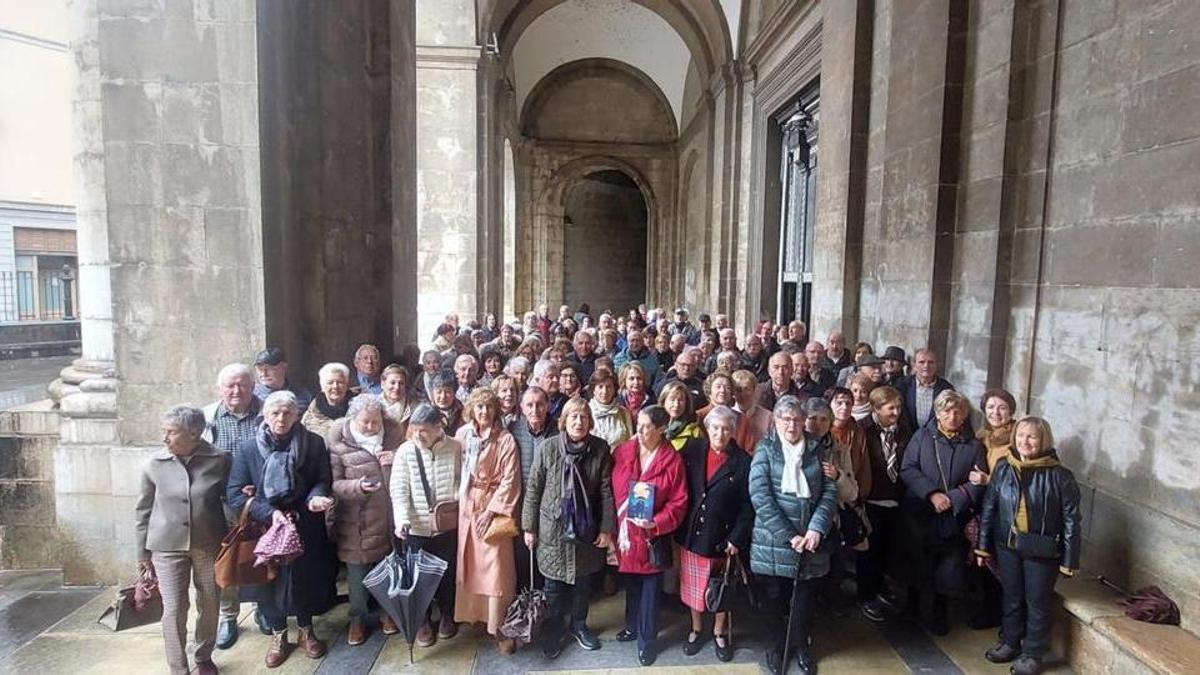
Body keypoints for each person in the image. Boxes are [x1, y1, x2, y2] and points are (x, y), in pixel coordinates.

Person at [227, 391, 338, 668]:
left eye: (287, 413)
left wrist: (316, 497)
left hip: (304, 522)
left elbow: (323, 479)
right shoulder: (248, 449)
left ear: (297, 415)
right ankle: (278, 635)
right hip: (266, 526)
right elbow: (235, 494)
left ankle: (305, 630)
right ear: (265, 415)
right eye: (275, 413)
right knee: (269, 581)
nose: (281, 418)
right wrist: (271, 513)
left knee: (304, 579)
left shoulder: (313, 443)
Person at [976, 416, 1081, 675]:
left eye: (1032, 436)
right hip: (1007, 546)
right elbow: (989, 507)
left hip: (1041, 550)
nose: (1025, 441)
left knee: (1037, 602)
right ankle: (1010, 641)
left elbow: (1071, 521)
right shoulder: (1003, 467)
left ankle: (1033, 653)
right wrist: (982, 545)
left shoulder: (1060, 476)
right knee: (1011, 597)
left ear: (1043, 440)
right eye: (1021, 435)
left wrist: (1070, 560)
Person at [136, 405, 231, 675]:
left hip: (208, 543)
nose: (165, 438)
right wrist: (142, 554)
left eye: (171, 432)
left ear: (195, 432)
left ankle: (203, 656)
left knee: (211, 601)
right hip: (166, 546)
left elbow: (229, 498)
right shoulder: (153, 464)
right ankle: (178, 668)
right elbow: (142, 510)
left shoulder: (220, 459)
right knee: (174, 607)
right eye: (163, 431)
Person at [749, 395, 838, 675]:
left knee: (804, 600)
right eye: (786, 419)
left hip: (811, 541)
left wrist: (815, 529)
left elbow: (829, 491)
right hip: (775, 541)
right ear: (775, 422)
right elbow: (760, 496)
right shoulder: (765, 449)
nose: (792, 425)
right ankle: (777, 647)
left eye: (797, 419)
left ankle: (800, 644)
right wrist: (790, 535)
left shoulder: (817, 450)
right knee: (776, 599)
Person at [522, 397, 617, 659]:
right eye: (573, 416)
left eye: (584, 417)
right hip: (553, 530)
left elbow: (606, 492)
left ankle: (578, 625)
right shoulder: (549, 447)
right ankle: (554, 630)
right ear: (564, 421)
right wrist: (529, 527)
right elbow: (533, 489)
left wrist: (606, 528)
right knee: (553, 588)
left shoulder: (600, 449)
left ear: (590, 422)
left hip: (586, 530)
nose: (578, 421)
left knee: (583, 586)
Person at [899, 389, 986, 636]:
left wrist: (953, 498)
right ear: (937, 413)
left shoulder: (973, 445)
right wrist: (932, 494)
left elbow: (978, 481)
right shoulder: (922, 437)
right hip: (920, 511)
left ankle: (939, 612)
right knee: (918, 561)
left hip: (952, 516)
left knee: (947, 567)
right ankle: (912, 608)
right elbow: (908, 468)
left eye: (958, 411)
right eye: (947, 410)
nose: (952, 415)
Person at [611, 405, 689, 666]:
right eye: (638, 424)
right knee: (631, 584)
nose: (640, 431)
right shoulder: (624, 451)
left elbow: (678, 502)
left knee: (650, 590)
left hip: (652, 536)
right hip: (625, 533)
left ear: (661, 429)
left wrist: (655, 522)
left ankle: (647, 641)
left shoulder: (672, 461)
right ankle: (632, 626)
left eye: (646, 427)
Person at [677, 406, 752, 662]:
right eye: (715, 428)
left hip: (722, 538)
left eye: (726, 429)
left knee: (721, 589)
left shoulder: (742, 461)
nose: (720, 433)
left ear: (733, 431)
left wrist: (736, 538)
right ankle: (696, 629)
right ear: (706, 429)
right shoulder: (692, 449)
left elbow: (747, 506)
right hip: (692, 532)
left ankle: (719, 632)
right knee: (692, 588)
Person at [328, 394, 403, 645]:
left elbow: (408, 468)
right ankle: (357, 617)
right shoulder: (339, 442)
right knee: (357, 575)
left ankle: (387, 612)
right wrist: (357, 486)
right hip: (355, 522)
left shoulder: (394, 435)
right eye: (365, 423)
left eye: (376, 422)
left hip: (387, 517)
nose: (371, 427)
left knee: (387, 570)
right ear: (353, 419)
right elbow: (334, 484)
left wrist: (394, 459)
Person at [454, 388, 521, 653]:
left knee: (496, 568)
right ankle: (475, 616)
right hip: (467, 504)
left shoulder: (505, 439)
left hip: (493, 506)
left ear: (496, 410)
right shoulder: (462, 435)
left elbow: (510, 478)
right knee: (469, 562)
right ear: (472, 409)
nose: (484, 412)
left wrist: (491, 511)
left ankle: (499, 625)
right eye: (479, 407)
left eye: (489, 407)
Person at [392, 403, 464, 646]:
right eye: (414, 429)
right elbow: (399, 489)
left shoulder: (455, 447)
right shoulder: (405, 451)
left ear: (438, 427)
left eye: (423, 430)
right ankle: (422, 620)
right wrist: (401, 519)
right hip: (417, 526)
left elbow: (462, 480)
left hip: (446, 525)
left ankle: (447, 614)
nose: (418, 435)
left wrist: (453, 499)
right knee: (418, 577)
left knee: (447, 573)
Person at [201, 363, 262, 647]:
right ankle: (228, 616)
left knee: (261, 555)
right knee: (226, 558)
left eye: (242, 385)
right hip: (221, 502)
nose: (236, 391)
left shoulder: (266, 412)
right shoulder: (207, 418)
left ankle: (264, 609)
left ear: (252, 386)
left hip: (259, 500)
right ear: (220, 389)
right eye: (230, 386)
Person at [857, 385, 915, 622]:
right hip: (871, 498)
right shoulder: (864, 430)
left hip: (895, 498)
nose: (896, 412)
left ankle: (881, 587)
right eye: (891, 408)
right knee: (868, 552)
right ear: (876, 409)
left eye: (899, 407)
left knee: (886, 550)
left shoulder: (903, 429)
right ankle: (865, 595)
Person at [966, 388, 1020, 630]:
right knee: (983, 560)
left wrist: (988, 481)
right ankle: (988, 607)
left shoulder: (1019, 438)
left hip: (1007, 511)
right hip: (983, 507)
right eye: (990, 407)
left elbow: (1020, 478)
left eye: (1002, 408)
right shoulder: (981, 436)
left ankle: (1001, 612)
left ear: (1011, 411)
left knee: (1001, 564)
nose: (996, 413)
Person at [896, 348, 955, 432]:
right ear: (914, 364)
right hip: (905, 437)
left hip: (933, 439)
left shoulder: (946, 388)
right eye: (921, 362)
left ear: (937, 364)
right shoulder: (902, 385)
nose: (926, 366)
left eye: (931, 362)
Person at [301, 362, 351, 438]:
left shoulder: (359, 408)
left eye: (340, 382)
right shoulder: (311, 414)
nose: (335, 386)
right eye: (330, 383)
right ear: (322, 387)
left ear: (347, 385)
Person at [588, 370, 633, 449]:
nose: (605, 391)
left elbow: (629, 443)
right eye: (600, 387)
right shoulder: (586, 412)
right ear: (593, 390)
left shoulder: (624, 413)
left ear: (614, 389)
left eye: (608, 387)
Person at [731, 369, 772, 453]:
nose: (743, 394)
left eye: (747, 389)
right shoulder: (727, 417)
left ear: (754, 390)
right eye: (738, 390)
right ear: (733, 393)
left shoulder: (768, 417)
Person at [660, 381, 704, 451]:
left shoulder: (694, 431)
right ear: (663, 401)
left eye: (681, 400)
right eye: (672, 399)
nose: (676, 404)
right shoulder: (653, 427)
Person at [380, 364, 416, 435]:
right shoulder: (373, 406)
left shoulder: (415, 406)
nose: (397, 387)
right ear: (382, 384)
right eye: (392, 383)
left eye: (401, 383)